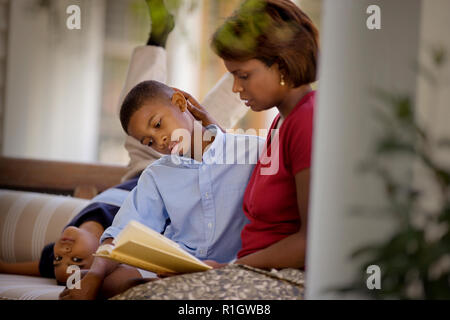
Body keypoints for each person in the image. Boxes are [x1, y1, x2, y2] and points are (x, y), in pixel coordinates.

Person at [0, 0, 248, 286]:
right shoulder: (125, 235)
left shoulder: (66, 237)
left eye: (62, 259)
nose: (66, 253)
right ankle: (249, 67)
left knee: (137, 109)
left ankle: (156, 39)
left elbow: (13, 265)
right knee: (200, 124)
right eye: (78, 261)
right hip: (170, 176)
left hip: (141, 172)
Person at [59, 80, 263, 299]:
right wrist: (95, 277)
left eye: (157, 125)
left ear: (179, 102)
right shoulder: (157, 175)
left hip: (231, 268)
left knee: (129, 286)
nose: (160, 141)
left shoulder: (253, 152)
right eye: (149, 142)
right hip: (173, 270)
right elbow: (122, 231)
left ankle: (154, 288)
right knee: (111, 283)